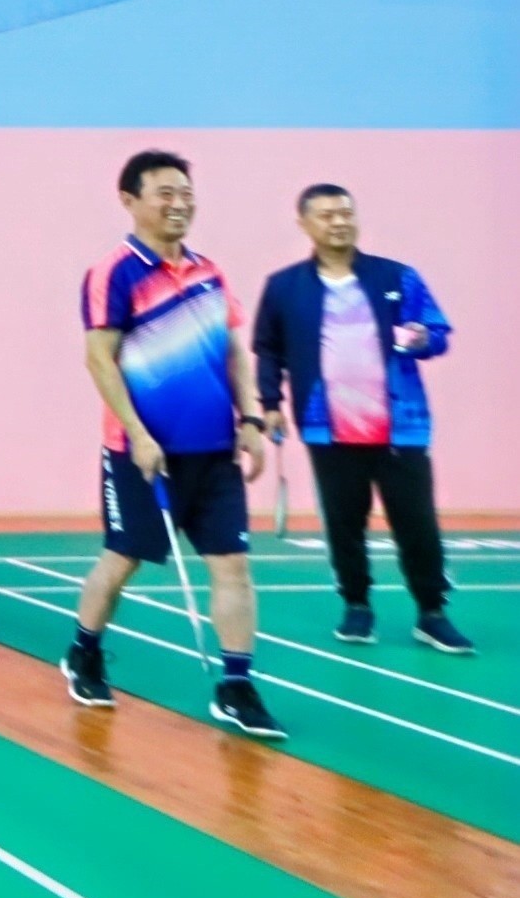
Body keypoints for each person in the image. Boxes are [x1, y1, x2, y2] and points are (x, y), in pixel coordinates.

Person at [65, 150, 284, 740]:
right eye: (165, 192)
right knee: (123, 560)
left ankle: (236, 686)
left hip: (214, 452)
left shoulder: (209, 272)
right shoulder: (114, 273)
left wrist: (251, 418)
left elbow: (233, 351)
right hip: (142, 454)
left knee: (233, 565)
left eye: (186, 193)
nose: (179, 203)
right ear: (130, 200)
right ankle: (85, 650)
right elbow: (99, 358)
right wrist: (137, 434)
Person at [252, 186, 470, 654]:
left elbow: (437, 332)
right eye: (327, 215)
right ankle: (357, 606)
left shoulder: (396, 276)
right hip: (328, 427)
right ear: (304, 224)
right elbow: (268, 349)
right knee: (344, 524)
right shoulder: (284, 287)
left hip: (400, 427)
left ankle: (432, 613)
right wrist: (269, 403)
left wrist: (423, 339)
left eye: (346, 213)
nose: (339, 222)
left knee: (417, 523)